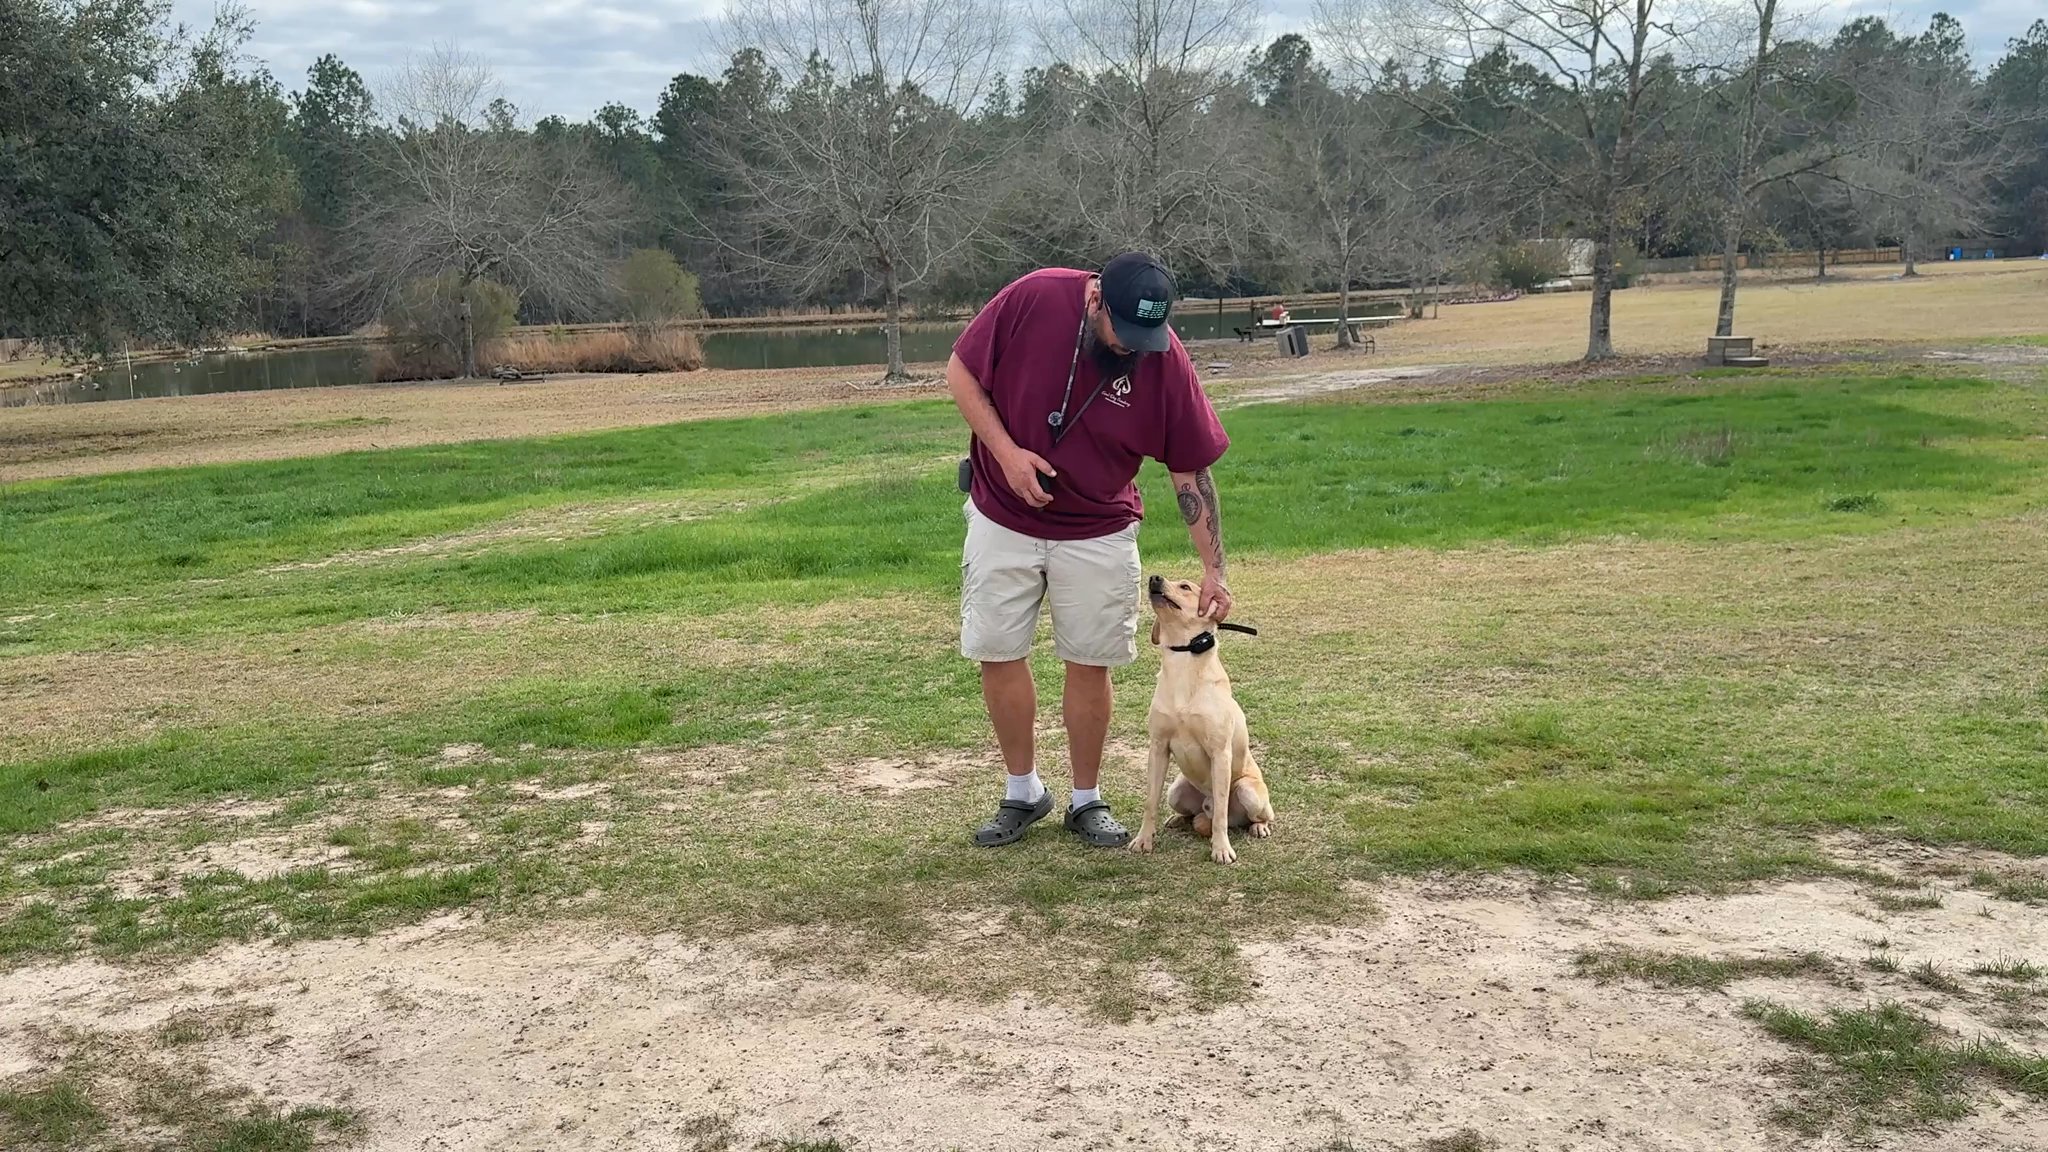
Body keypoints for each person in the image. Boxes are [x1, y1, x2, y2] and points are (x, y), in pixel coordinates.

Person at [946, 252, 1233, 849]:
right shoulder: (1034, 297)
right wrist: (1006, 454)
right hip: (1002, 511)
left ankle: (1086, 799)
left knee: (1090, 659)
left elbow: (1190, 473)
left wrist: (1214, 569)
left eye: (1145, 338)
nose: (1133, 348)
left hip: (1100, 524)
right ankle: (1022, 790)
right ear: (1095, 297)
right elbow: (961, 372)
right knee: (998, 649)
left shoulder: (1162, 355)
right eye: (1123, 333)